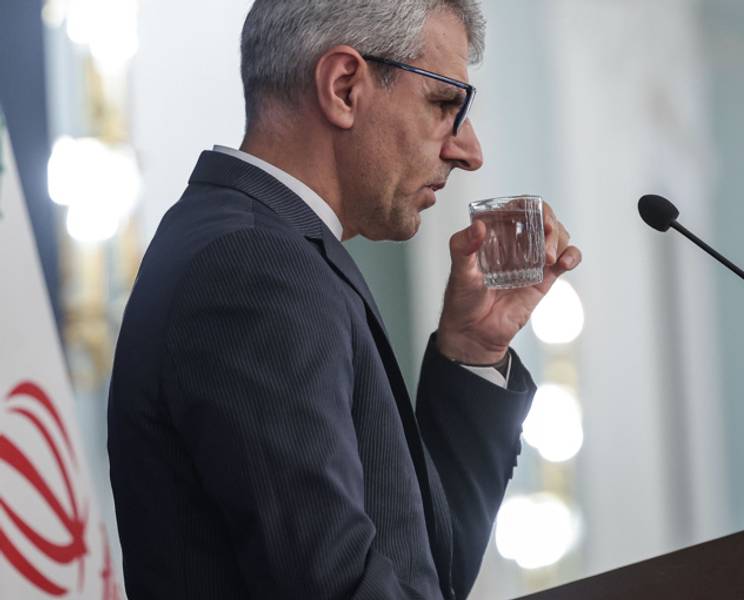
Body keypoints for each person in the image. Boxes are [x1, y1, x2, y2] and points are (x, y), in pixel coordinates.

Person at [107, 1, 582, 599]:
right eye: (444, 104)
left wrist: (473, 349)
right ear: (343, 87)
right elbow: (335, 588)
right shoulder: (256, 265)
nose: (469, 150)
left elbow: (422, 571)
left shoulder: (265, 248)